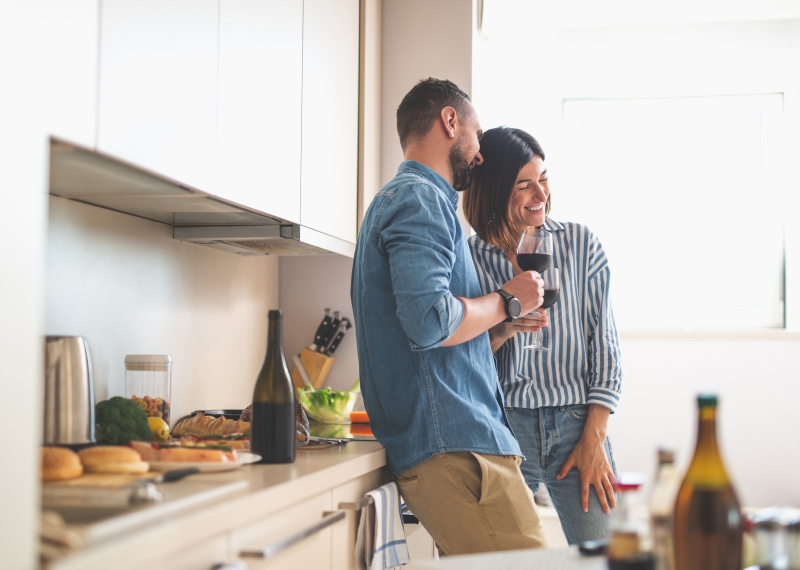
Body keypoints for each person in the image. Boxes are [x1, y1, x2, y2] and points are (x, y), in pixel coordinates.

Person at [351, 80, 550, 555]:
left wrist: (498, 326)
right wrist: (508, 298)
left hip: (457, 444)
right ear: (449, 122)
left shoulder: (407, 200)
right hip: (457, 448)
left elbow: (432, 327)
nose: (480, 153)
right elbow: (429, 322)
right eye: (477, 136)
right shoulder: (421, 199)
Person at [463, 127, 624, 545]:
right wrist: (504, 326)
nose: (541, 194)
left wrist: (595, 436)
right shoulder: (471, 257)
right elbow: (468, 358)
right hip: (506, 427)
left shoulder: (581, 244)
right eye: (525, 184)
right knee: (497, 556)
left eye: (544, 179)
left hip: (577, 425)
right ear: (497, 189)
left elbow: (604, 345)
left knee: (605, 554)